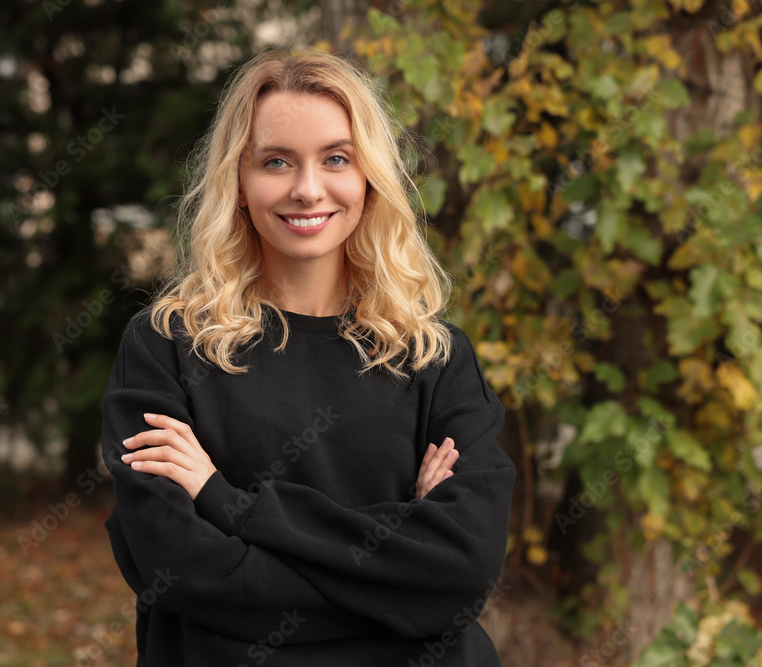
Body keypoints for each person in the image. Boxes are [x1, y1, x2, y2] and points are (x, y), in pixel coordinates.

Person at [101, 49, 515, 666]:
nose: (308, 189)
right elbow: (178, 568)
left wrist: (224, 502)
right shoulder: (166, 346)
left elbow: (461, 572)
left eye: (336, 159)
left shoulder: (434, 357)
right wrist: (400, 587)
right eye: (276, 161)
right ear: (238, 183)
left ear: (370, 178)